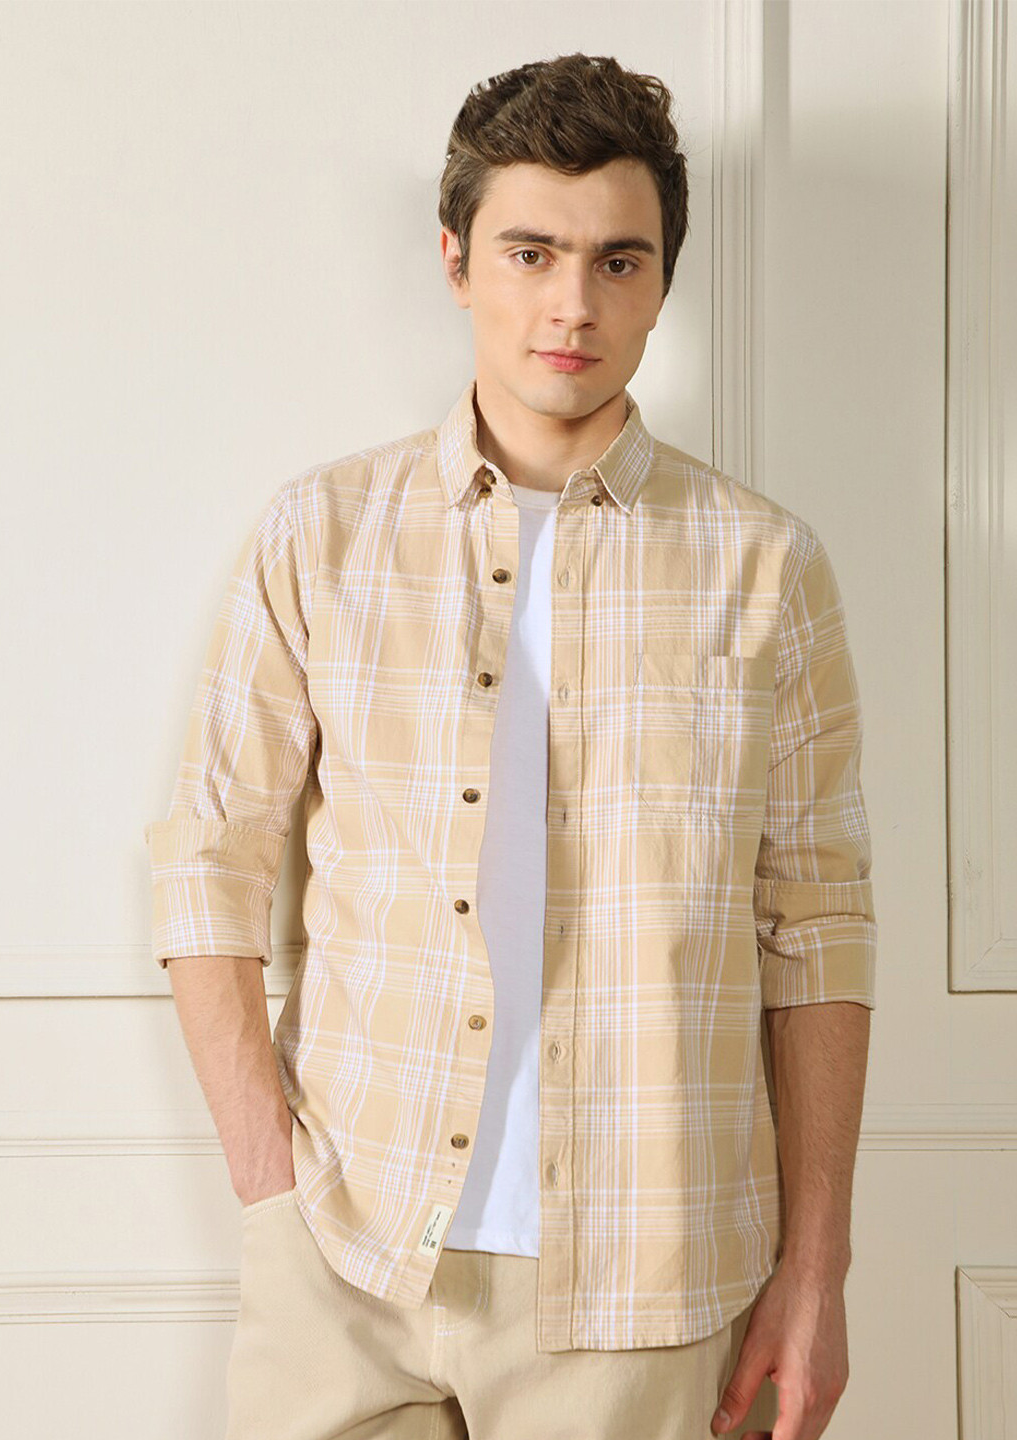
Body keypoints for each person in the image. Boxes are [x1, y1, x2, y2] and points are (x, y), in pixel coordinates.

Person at [144, 51, 876, 1440]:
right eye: (531, 252)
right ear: (456, 259)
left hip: (646, 1280)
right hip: (346, 1260)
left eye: (618, 261)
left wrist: (819, 1267)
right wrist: (268, 1191)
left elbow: (819, 927)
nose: (572, 303)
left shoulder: (767, 568)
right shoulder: (321, 535)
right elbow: (207, 869)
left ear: (662, 281)